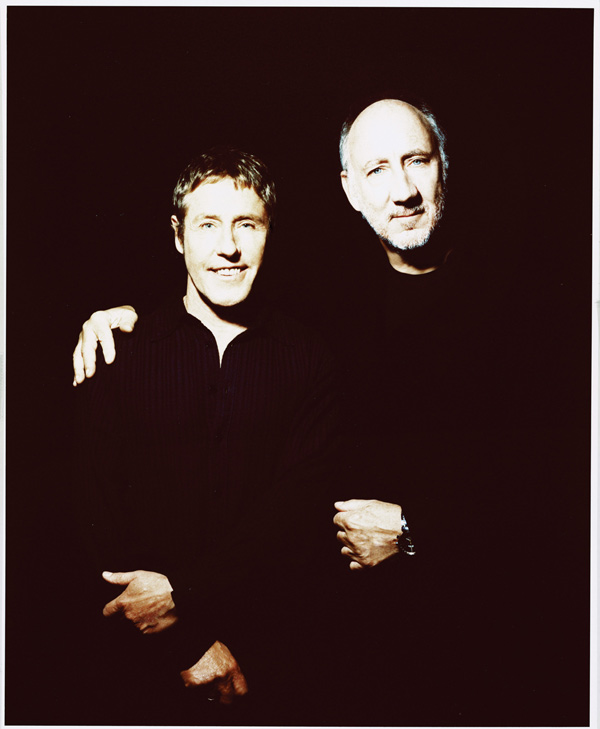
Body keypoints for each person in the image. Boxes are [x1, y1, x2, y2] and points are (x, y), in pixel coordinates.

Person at [71, 100, 589, 725]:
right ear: (349, 189)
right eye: (376, 170)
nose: (401, 189)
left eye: (417, 161)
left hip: (484, 639)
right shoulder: (330, 301)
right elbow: (213, 286)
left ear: (444, 167)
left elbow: (564, 490)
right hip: (346, 648)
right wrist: (117, 321)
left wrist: (417, 530)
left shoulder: (538, 302)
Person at [72, 148, 338, 725]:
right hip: (138, 667)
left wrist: (185, 598)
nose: (228, 247)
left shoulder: (309, 359)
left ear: (270, 233)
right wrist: (186, 645)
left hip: (271, 663)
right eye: (208, 225)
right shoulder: (119, 353)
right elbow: (96, 520)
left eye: (247, 224)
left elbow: (294, 516)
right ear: (178, 235)